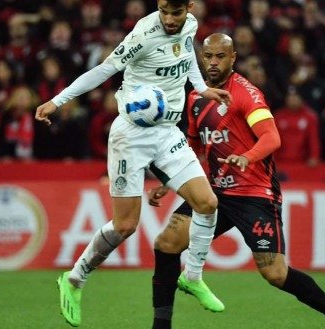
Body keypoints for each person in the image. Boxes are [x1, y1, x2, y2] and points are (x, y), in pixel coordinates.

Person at [35, 0, 231, 327]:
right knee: (125, 225)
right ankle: (74, 279)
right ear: (158, 6)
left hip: (167, 132)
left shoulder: (191, 25)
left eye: (177, 13)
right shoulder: (143, 34)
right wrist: (58, 100)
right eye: (165, 12)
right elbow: (104, 69)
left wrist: (202, 89)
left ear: (189, 8)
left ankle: (193, 276)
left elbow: (186, 58)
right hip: (132, 135)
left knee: (208, 202)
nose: (170, 20)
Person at [149, 33, 325, 329]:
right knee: (167, 243)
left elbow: (272, 137)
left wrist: (247, 156)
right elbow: (194, 146)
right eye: (207, 56)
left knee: (275, 273)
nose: (212, 62)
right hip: (215, 193)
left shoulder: (246, 93)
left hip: (254, 193)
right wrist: (170, 179)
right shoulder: (197, 96)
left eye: (219, 56)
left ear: (233, 57)